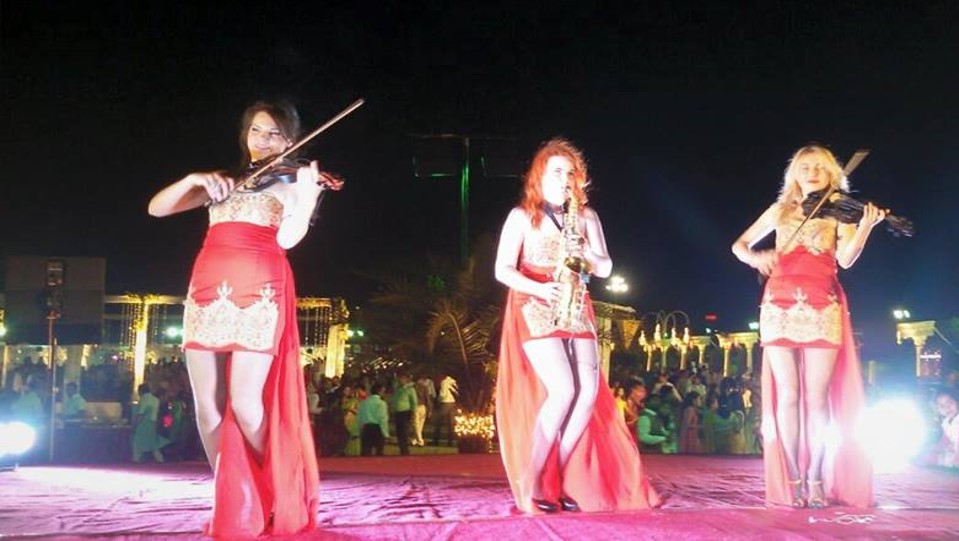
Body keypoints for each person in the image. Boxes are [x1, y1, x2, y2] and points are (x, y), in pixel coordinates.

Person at [147, 100, 323, 537]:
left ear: (291, 139)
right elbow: (156, 208)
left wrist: (308, 194)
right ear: (245, 135)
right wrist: (192, 178)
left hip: (259, 289)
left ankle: (279, 489)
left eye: (275, 134)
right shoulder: (224, 183)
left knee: (245, 405)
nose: (264, 141)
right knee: (206, 407)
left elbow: (288, 238)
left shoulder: (292, 184)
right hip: (206, 287)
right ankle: (234, 498)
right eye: (256, 131)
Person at [494, 138, 659, 514]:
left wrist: (585, 250)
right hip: (535, 301)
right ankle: (535, 481)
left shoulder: (586, 217)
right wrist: (540, 287)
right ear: (539, 176)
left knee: (586, 394)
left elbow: (605, 268)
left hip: (577, 302)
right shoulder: (522, 216)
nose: (564, 179)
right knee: (563, 389)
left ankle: (559, 476)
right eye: (556, 171)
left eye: (571, 173)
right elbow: (502, 269)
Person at [732, 144, 882, 509]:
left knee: (817, 399)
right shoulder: (780, 210)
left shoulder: (841, 213)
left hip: (821, 304)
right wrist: (756, 257)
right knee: (788, 395)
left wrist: (864, 227)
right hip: (778, 305)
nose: (812, 172)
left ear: (832, 173)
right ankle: (793, 479)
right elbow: (739, 245)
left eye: (819, 167)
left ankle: (815, 477)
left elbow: (845, 260)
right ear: (794, 174)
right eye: (805, 167)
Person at [131, 383, 167, 463]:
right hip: (153, 423)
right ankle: (160, 459)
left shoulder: (144, 398)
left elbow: (141, 413)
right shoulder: (156, 399)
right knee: (153, 444)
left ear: (141, 391)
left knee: (137, 442)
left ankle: (135, 459)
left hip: (144, 423)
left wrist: (135, 425)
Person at [357, 383, 389, 456]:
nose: (384, 393)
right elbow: (383, 419)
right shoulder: (381, 403)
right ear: (379, 391)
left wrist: (360, 429)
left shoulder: (364, 402)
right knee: (379, 452)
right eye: (383, 391)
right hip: (377, 428)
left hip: (366, 428)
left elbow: (360, 417)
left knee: (366, 452)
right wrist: (385, 433)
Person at [392, 373, 418, 455]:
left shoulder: (410, 390)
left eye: (402, 379)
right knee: (399, 432)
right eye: (400, 379)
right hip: (397, 413)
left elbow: (414, 402)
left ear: (406, 380)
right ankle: (401, 449)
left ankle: (405, 450)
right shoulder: (398, 389)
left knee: (404, 432)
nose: (400, 380)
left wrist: (413, 413)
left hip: (405, 412)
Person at [934, 390, 959, 468]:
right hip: (955, 449)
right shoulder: (946, 422)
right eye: (942, 406)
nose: (947, 408)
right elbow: (945, 439)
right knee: (942, 456)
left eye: (950, 403)